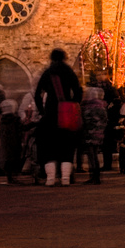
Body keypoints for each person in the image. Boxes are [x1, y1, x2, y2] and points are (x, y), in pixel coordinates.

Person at [33, 48, 82, 185]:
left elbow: (38, 94)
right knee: (67, 146)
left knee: (49, 146)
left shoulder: (48, 73)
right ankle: (65, 178)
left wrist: (42, 111)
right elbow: (78, 91)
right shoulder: (69, 72)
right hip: (66, 113)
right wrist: (74, 104)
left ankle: (50, 178)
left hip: (51, 112)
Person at [81, 82, 107, 185]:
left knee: (92, 156)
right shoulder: (101, 107)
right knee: (94, 154)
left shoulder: (89, 107)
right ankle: (96, 176)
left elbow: (86, 120)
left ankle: (94, 176)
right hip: (99, 133)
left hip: (90, 133)